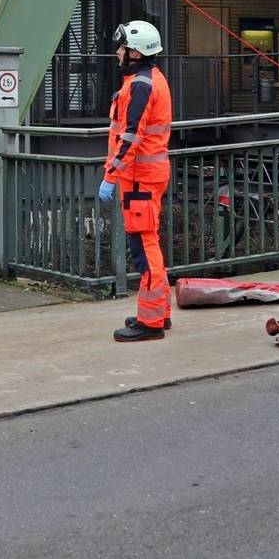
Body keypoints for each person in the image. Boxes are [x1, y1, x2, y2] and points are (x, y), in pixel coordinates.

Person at [98, 20, 173, 342]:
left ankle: (151, 322)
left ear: (135, 52)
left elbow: (130, 137)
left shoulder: (140, 85)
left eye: (123, 47)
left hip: (140, 178)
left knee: (144, 247)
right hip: (144, 176)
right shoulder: (148, 79)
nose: (118, 52)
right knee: (148, 244)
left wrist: (110, 175)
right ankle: (159, 312)